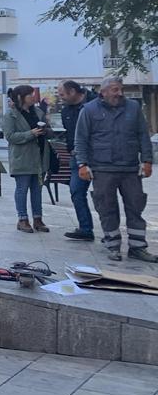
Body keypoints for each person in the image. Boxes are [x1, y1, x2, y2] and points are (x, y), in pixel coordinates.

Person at [74, 75, 157, 262]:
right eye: (115, 89)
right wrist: (82, 164)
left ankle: (138, 247)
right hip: (102, 169)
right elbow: (81, 140)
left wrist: (147, 160)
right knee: (107, 208)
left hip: (130, 168)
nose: (120, 93)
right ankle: (113, 246)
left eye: (121, 89)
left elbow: (143, 135)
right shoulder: (89, 110)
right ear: (102, 92)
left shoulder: (133, 108)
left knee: (136, 207)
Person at [3, 84, 51, 234]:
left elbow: (49, 130)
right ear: (20, 97)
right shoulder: (11, 115)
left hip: (39, 157)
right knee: (22, 189)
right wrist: (30, 134)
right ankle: (22, 219)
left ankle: (38, 218)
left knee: (37, 189)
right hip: (22, 158)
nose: (33, 97)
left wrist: (45, 131)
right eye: (30, 95)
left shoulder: (38, 112)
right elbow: (10, 136)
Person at [58, 80, 98, 241]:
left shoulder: (96, 103)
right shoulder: (66, 110)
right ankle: (85, 228)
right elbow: (70, 133)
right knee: (76, 191)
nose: (60, 98)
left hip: (99, 156)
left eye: (62, 94)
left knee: (103, 195)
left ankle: (111, 233)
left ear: (73, 92)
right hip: (77, 156)